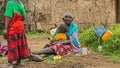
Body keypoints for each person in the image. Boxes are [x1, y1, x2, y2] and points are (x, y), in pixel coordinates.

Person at [3, 0, 30, 66]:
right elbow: (23, 17)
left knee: (12, 44)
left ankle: (10, 62)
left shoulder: (10, 3)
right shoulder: (21, 3)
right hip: (20, 27)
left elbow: (9, 17)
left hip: (13, 27)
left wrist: (6, 29)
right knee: (19, 44)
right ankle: (19, 62)